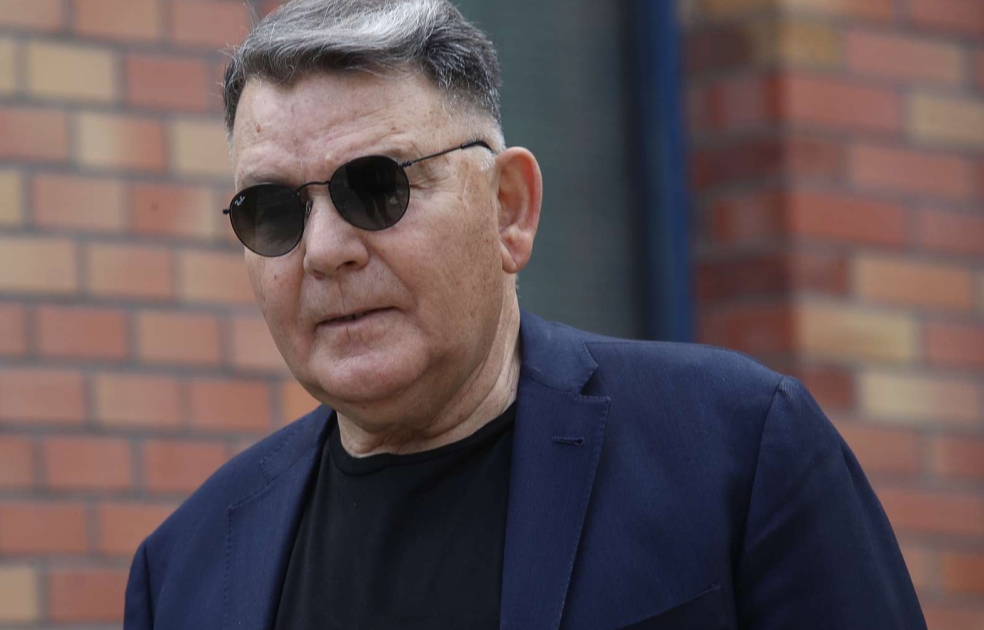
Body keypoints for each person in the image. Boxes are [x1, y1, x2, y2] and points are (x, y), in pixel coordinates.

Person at [123, 0, 926, 628]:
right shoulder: (185, 571)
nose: (326, 250)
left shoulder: (737, 451)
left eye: (377, 187)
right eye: (272, 211)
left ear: (509, 208)